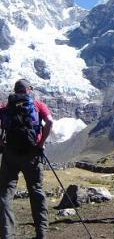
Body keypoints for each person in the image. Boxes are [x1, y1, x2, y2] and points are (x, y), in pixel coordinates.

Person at [0, 79, 53, 239]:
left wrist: (1, 142)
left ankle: (7, 234)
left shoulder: (6, 106)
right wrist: (41, 143)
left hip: (10, 154)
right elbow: (49, 122)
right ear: (28, 90)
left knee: (5, 193)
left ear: (15, 90)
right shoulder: (37, 104)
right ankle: (41, 233)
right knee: (36, 190)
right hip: (32, 154)